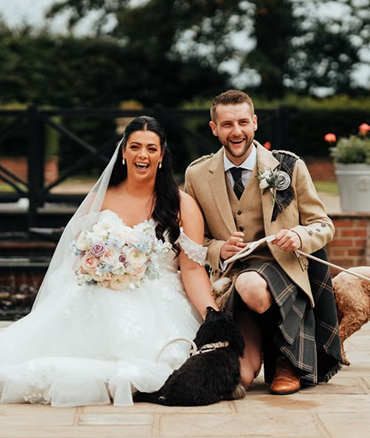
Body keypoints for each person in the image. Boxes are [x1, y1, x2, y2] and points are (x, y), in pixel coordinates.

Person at [0, 116, 219, 407]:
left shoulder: (181, 204)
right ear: (124, 153)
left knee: (167, 362)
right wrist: (95, 265)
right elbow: (74, 254)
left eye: (152, 149)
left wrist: (215, 318)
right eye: (135, 147)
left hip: (159, 301)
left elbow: (192, 269)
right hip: (98, 290)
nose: (143, 155)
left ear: (162, 155)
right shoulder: (101, 197)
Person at [185, 90, 343, 395]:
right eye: (227, 124)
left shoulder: (289, 166)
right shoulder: (196, 174)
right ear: (214, 128)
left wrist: (299, 235)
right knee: (242, 379)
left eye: (243, 122)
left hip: (282, 270)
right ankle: (265, 346)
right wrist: (219, 249)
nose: (237, 131)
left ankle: (285, 358)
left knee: (253, 287)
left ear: (255, 123)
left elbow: (323, 225)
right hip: (232, 279)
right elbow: (193, 240)